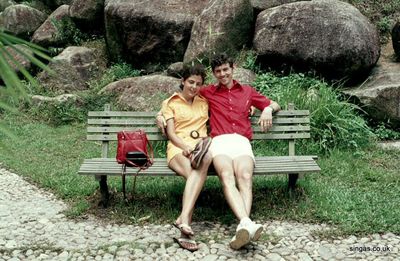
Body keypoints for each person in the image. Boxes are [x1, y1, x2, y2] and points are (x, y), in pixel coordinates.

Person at [157, 53, 281, 250]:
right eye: (218, 71)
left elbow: (274, 103)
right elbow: (181, 97)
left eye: (226, 69)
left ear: (233, 68)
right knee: (226, 175)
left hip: (239, 142)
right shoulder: (208, 92)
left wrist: (266, 109)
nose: (223, 74)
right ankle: (243, 224)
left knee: (246, 176)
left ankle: (244, 225)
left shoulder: (246, 91)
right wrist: (160, 115)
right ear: (214, 74)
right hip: (219, 143)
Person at [159, 64, 212, 252]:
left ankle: (184, 224)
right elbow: (171, 134)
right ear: (183, 81)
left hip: (201, 147)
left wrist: (250, 110)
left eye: (198, 83)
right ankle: (184, 223)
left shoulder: (204, 101)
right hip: (178, 148)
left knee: (203, 161)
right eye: (191, 82)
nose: (194, 87)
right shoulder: (170, 103)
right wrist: (185, 147)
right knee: (194, 175)